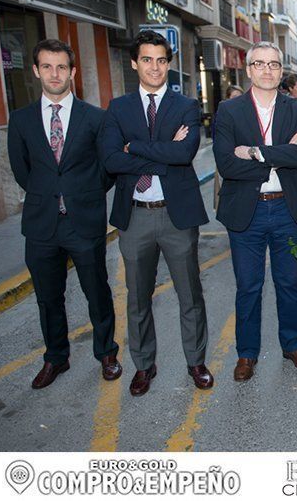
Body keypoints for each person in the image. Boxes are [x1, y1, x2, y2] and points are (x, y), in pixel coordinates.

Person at [100, 31, 212, 396]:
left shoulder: (185, 105)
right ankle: (144, 366)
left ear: (169, 63)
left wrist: (136, 149)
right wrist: (161, 151)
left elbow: (185, 154)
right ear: (135, 63)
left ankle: (196, 362)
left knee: (190, 295)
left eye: (161, 60)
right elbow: (112, 159)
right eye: (146, 59)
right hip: (135, 216)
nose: (154, 67)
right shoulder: (118, 108)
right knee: (136, 298)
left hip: (176, 215)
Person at [7, 39, 120, 389]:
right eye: (47, 67)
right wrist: (49, 195)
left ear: (72, 72)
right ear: (37, 71)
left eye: (61, 67)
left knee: (97, 291)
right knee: (48, 297)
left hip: (83, 222)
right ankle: (56, 358)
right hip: (41, 225)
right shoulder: (21, 119)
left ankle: (106, 352)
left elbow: (107, 168)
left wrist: (81, 195)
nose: (54, 74)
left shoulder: (95, 118)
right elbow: (21, 169)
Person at [213, 41, 297, 382]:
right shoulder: (229, 111)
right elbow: (226, 163)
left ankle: (292, 344)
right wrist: (280, 154)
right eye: (260, 64)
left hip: (287, 209)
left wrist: (257, 153)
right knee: (248, 286)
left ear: (281, 69)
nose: (268, 70)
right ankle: (246, 354)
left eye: (274, 64)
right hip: (247, 210)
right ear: (248, 69)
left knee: (289, 283)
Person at [213, 85, 245, 210]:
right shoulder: (223, 114)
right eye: (234, 97)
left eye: (240, 96)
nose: (238, 100)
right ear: (227, 98)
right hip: (228, 159)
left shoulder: (247, 112)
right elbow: (218, 140)